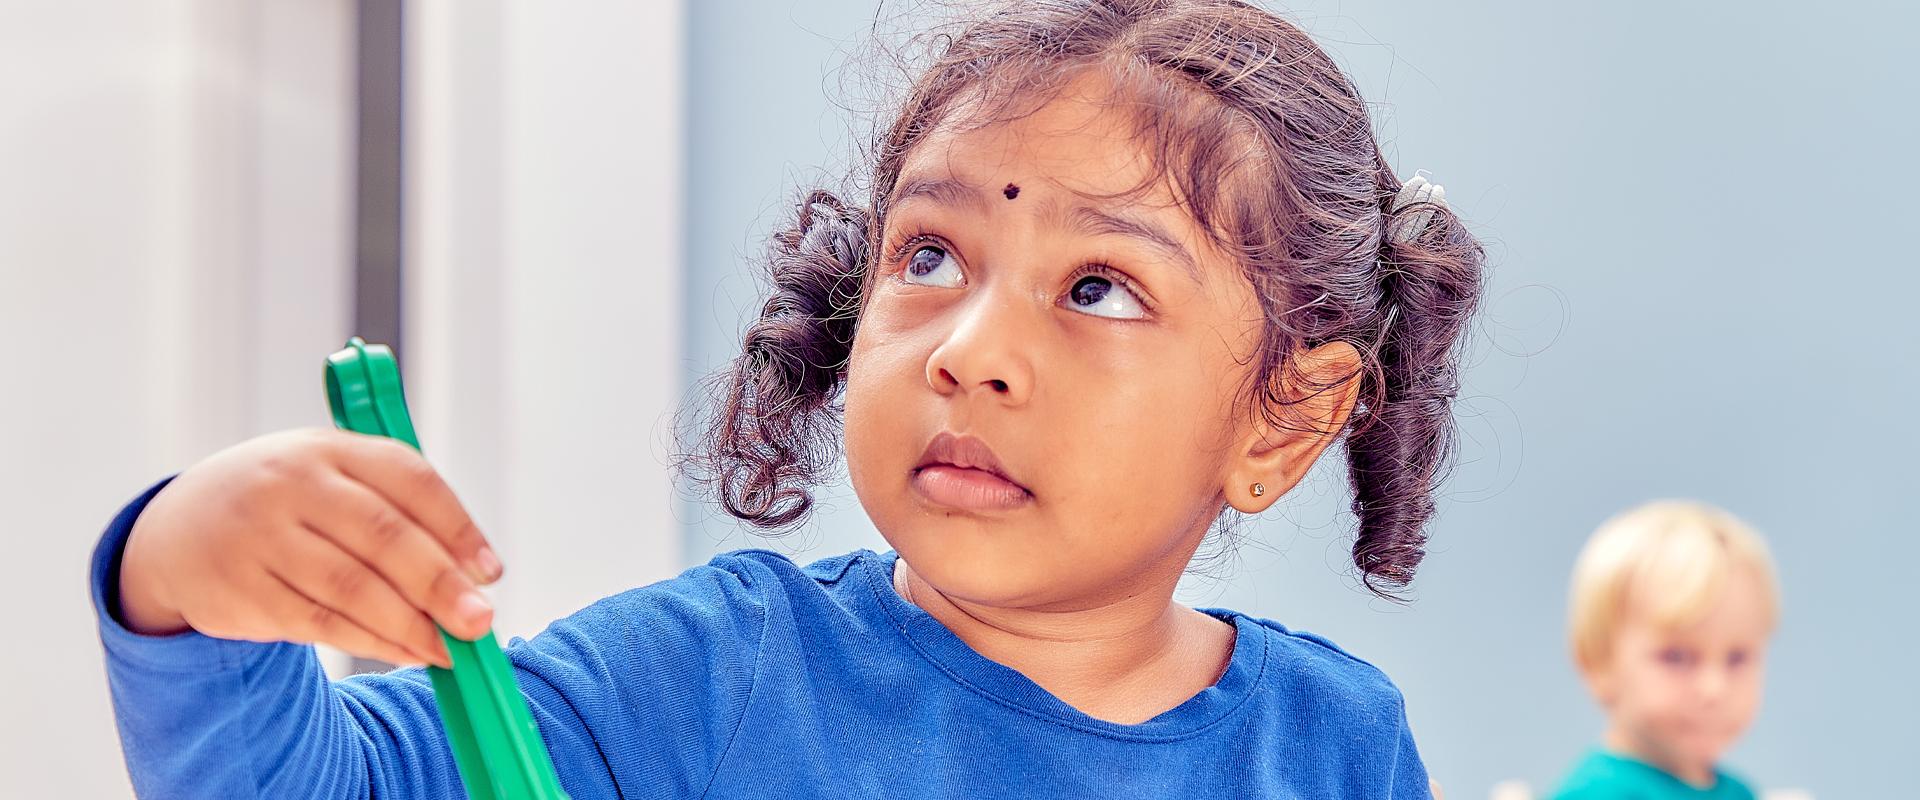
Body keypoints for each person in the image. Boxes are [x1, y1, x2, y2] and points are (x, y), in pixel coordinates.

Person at [91, 1, 1485, 795]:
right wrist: (188, 583)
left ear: (1283, 420)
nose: (970, 349)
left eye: (1099, 288)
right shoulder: (708, 677)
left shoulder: (1335, 746)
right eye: (931, 256)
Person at [1554, 501, 1782, 799]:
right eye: (1677, 658)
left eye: (1737, 658)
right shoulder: (1597, 793)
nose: (1713, 688)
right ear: (1598, 664)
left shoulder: (1738, 792)